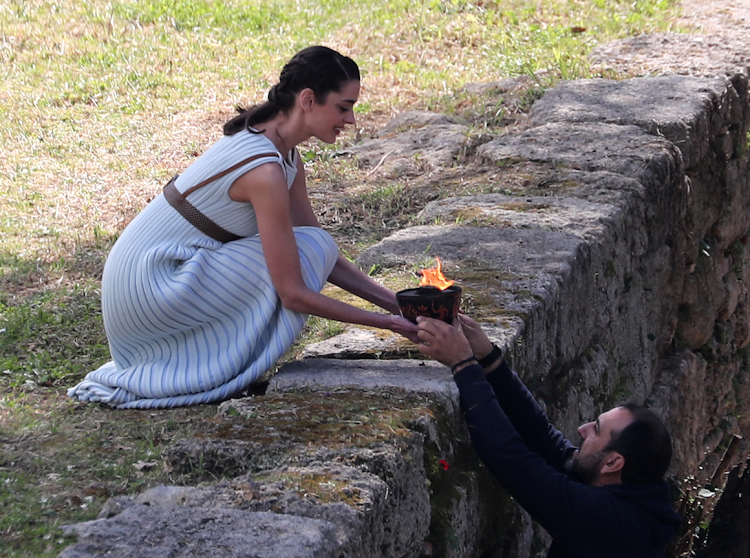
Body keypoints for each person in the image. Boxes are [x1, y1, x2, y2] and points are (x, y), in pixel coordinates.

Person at [68, 46, 418, 409]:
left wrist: (401, 306)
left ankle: (196, 358)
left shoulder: (285, 154)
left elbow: (323, 254)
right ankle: (197, 366)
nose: (351, 120)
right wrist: (389, 324)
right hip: (148, 285)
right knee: (311, 247)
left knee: (316, 244)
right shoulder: (264, 170)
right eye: (343, 107)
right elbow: (292, 292)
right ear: (308, 100)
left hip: (149, 280)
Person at [416, 314, 682, 558]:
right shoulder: (635, 494)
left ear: (613, 463)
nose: (583, 429)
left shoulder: (607, 522)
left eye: (596, 430)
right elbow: (545, 440)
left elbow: (513, 461)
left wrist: (463, 365)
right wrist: (488, 358)